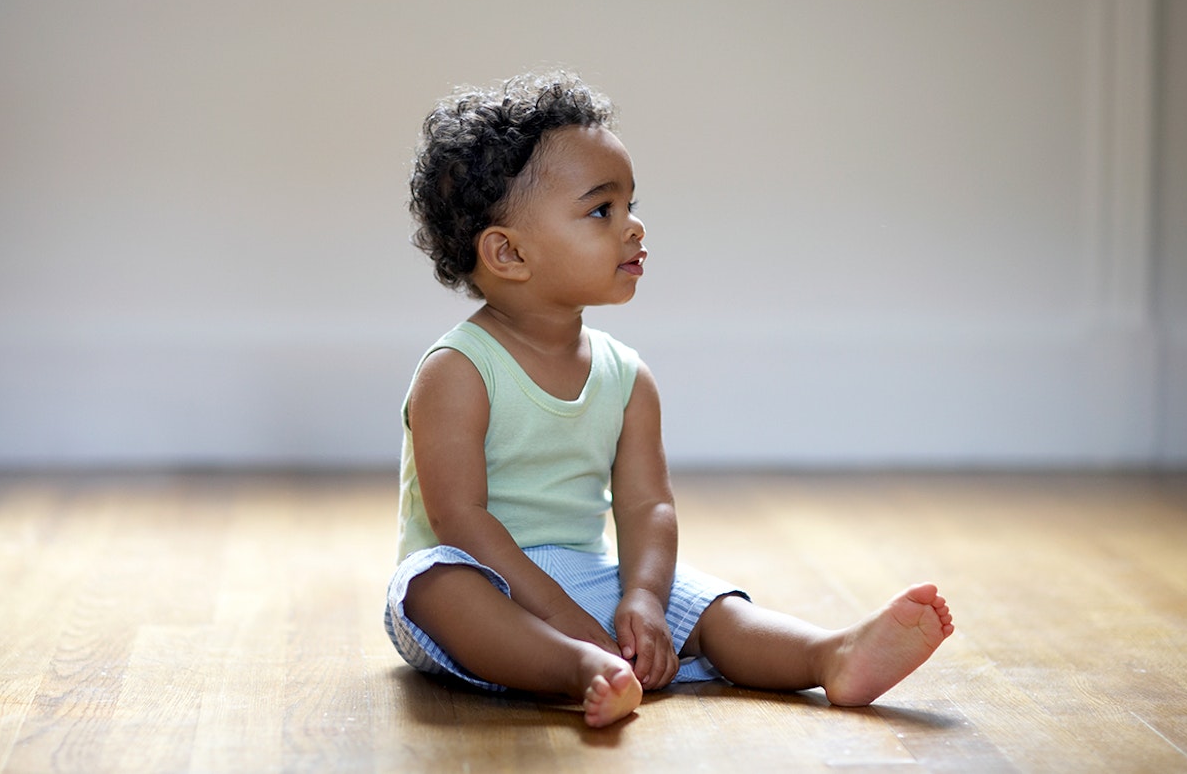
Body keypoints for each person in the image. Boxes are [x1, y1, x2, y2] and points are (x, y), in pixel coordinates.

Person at [383, 71, 954, 728]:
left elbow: (648, 503)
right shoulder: (459, 370)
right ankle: (579, 668)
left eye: (630, 204)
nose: (634, 226)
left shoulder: (627, 377)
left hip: (589, 577)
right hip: (488, 581)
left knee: (706, 605)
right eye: (603, 210)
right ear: (508, 251)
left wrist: (646, 599)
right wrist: (558, 615)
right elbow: (463, 520)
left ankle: (829, 655)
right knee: (437, 585)